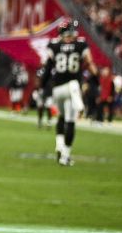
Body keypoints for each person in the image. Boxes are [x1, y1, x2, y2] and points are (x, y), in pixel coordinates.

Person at [41, 18, 98, 166]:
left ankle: (59, 145)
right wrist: (96, 80)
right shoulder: (80, 44)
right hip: (72, 86)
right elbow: (91, 64)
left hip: (57, 88)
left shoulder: (54, 45)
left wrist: (42, 86)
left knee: (61, 116)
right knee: (70, 121)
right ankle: (65, 156)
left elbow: (47, 68)